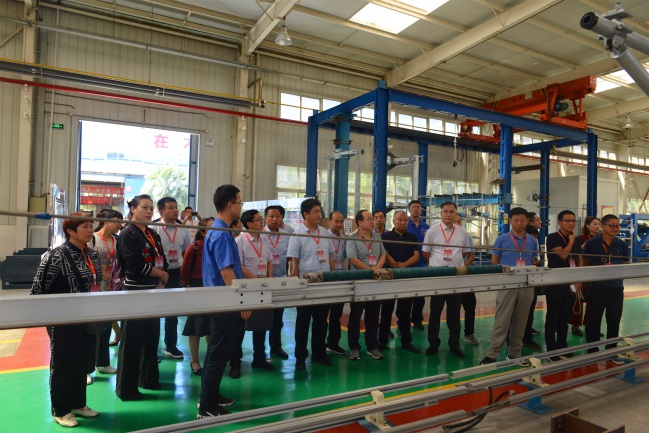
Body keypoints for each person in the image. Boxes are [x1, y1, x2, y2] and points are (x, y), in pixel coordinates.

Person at [32, 213, 102, 427]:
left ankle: (78, 404)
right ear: (70, 231)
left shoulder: (92, 255)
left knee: (82, 362)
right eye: (85, 227)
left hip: (87, 317)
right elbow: (38, 289)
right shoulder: (55, 256)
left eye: (91, 226)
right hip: (62, 320)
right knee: (63, 364)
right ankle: (61, 410)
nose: (90, 230)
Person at [198, 185, 247, 418]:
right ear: (230, 205)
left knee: (215, 352)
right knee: (218, 354)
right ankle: (207, 406)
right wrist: (243, 301)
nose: (240, 207)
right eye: (239, 203)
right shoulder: (221, 234)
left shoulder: (217, 230)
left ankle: (210, 395)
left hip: (218, 299)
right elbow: (227, 273)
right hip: (225, 301)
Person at [115, 194, 169, 401]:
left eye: (151, 208)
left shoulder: (152, 233)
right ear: (133, 209)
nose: (149, 211)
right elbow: (135, 264)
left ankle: (147, 379)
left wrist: (160, 281)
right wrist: (161, 274)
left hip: (154, 290)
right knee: (131, 341)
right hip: (135, 292)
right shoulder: (127, 234)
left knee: (151, 338)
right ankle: (126, 389)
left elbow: (161, 258)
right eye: (144, 207)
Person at [481, 207, 538, 365]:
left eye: (523, 220)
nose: (519, 223)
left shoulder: (533, 241)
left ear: (527, 221)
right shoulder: (502, 239)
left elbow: (534, 260)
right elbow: (495, 261)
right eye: (516, 220)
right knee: (502, 320)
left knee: (521, 321)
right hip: (507, 284)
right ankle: (492, 354)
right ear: (510, 221)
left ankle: (515, 353)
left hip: (526, 284)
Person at [287, 198, 335, 370]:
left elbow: (329, 257)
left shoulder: (325, 232)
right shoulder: (297, 234)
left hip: (323, 284)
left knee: (321, 322)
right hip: (305, 286)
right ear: (306, 214)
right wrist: (295, 285)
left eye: (319, 211)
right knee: (303, 322)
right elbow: (293, 261)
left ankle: (319, 353)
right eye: (316, 211)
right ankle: (300, 357)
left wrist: (333, 277)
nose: (319, 214)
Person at [421, 202, 472, 358]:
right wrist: (437, 265)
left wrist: (454, 262)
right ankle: (433, 344)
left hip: (456, 278)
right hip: (438, 278)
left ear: (456, 213)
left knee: (454, 313)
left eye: (452, 211)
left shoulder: (462, 232)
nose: (448, 214)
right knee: (435, 312)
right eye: (445, 211)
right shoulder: (432, 231)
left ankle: (454, 344)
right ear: (441, 213)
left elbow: (465, 253)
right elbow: (425, 253)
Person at [231, 209, 275, 377]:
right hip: (246, 288)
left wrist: (268, 279)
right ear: (249, 224)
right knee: (239, 327)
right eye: (258, 219)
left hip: (262, 287)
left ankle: (259, 357)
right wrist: (256, 279)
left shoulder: (264, 239)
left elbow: (269, 261)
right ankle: (235, 362)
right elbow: (239, 265)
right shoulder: (240, 240)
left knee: (261, 324)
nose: (262, 222)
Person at [580, 214, 630, 363]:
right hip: (597, 287)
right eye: (612, 225)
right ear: (603, 226)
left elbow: (625, 264)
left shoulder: (622, 245)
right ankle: (592, 352)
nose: (615, 228)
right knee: (593, 320)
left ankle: (611, 351)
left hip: (616, 288)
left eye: (617, 226)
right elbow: (585, 262)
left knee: (614, 320)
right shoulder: (592, 244)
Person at [346, 209, 387, 361]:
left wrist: (377, 268)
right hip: (359, 282)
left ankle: (372, 347)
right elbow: (353, 259)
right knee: (355, 317)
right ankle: (354, 347)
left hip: (375, 282)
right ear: (360, 222)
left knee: (373, 316)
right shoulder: (352, 238)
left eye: (372, 219)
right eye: (369, 219)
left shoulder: (377, 237)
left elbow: (383, 254)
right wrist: (370, 270)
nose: (373, 222)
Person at [154, 197, 191, 360]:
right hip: (157, 273)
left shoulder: (183, 229)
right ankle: (152, 349)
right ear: (161, 211)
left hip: (176, 273)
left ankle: (171, 345)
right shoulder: (153, 228)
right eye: (171, 207)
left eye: (176, 207)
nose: (175, 210)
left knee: (172, 312)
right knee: (153, 312)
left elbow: (186, 252)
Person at [88, 208, 123, 378]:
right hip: (96, 288)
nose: (120, 225)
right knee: (90, 328)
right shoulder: (92, 239)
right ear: (106, 221)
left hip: (112, 288)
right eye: (117, 221)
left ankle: (102, 362)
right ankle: (86, 368)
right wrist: (102, 275)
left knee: (105, 326)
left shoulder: (117, 240)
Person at [380, 210, 420, 353]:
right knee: (386, 311)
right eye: (400, 220)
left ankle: (406, 341)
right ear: (393, 221)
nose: (403, 222)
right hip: (390, 278)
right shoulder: (385, 237)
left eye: (405, 220)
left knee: (405, 312)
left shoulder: (412, 237)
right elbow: (385, 254)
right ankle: (382, 341)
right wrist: (395, 266)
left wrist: (404, 265)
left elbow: (416, 256)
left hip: (406, 279)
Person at [545, 210, 582, 361]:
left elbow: (579, 258)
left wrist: (579, 279)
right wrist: (571, 241)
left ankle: (562, 346)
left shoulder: (576, 239)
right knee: (553, 316)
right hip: (556, 282)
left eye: (573, 220)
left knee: (565, 316)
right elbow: (563, 255)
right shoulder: (553, 238)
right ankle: (551, 349)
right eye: (567, 220)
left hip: (570, 281)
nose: (571, 223)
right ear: (559, 222)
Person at [180, 218, 213, 376]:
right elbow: (185, 269)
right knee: (195, 325)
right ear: (202, 231)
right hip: (197, 286)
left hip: (213, 287)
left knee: (211, 324)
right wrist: (188, 286)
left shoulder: (217, 245)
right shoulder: (195, 247)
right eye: (211, 228)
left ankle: (211, 358)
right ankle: (194, 360)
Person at [263, 205, 291, 359]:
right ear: (265, 218)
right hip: (264, 282)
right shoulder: (260, 234)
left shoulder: (287, 236)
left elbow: (290, 259)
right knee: (261, 318)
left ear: (282, 218)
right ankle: (259, 352)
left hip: (281, 281)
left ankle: (275, 347)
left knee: (278, 318)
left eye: (278, 216)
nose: (274, 219)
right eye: (271, 216)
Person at [571, 216, 601, 336]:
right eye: (594, 224)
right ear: (587, 226)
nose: (597, 226)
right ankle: (575, 325)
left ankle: (591, 326)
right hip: (582, 272)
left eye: (598, 224)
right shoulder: (580, 239)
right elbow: (576, 254)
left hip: (596, 273)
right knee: (578, 299)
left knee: (594, 301)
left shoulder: (601, 239)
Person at [454, 213, 479, 346]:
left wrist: (462, 267)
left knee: (470, 304)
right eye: (455, 221)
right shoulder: (444, 236)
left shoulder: (466, 236)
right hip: (451, 276)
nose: (457, 224)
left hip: (464, 275)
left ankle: (469, 333)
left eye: (459, 221)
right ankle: (454, 335)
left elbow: (471, 255)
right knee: (453, 307)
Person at [326, 210, 348, 356]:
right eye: (336, 221)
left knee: (336, 314)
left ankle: (333, 343)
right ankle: (319, 344)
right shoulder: (323, 237)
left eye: (341, 222)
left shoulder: (344, 239)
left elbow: (346, 258)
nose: (339, 224)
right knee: (322, 314)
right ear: (330, 222)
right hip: (327, 278)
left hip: (340, 278)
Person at [406, 200, 429, 331]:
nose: (416, 209)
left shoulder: (426, 227)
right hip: (407, 265)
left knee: (420, 295)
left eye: (418, 207)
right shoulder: (405, 224)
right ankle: (403, 320)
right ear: (409, 210)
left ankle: (417, 319)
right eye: (413, 207)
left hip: (422, 264)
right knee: (406, 295)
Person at [521, 212, 543, 349]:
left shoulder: (534, 241)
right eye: (537, 219)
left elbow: (535, 258)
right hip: (515, 282)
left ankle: (527, 335)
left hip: (531, 280)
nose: (540, 221)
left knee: (529, 311)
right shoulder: (506, 240)